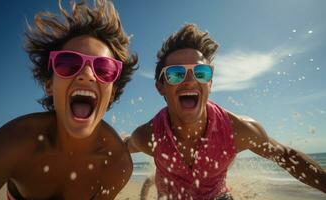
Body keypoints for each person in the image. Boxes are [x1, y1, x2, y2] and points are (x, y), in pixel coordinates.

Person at [125, 24, 326, 200]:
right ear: (160, 87)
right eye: (176, 74)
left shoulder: (238, 130)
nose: (190, 80)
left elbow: (287, 155)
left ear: (210, 83)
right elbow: (120, 148)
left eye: (201, 73)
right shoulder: (148, 136)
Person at [0, 0, 138, 199]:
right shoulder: (15, 142)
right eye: (68, 63)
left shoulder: (117, 164)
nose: (87, 74)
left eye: (103, 69)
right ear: (49, 84)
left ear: (113, 91)